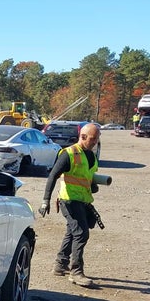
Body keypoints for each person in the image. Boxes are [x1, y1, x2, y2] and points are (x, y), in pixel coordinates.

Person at [38, 123, 102, 287]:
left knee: (72, 232)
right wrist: (45, 200)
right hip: (68, 200)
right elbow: (53, 175)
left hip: (83, 199)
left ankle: (60, 265)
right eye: (92, 139)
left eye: (97, 139)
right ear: (83, 137)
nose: (95, 142)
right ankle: (76, 272)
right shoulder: (69, 153)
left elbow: (86, 176)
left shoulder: (91, 156)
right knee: (81, 233)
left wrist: (93, 186)